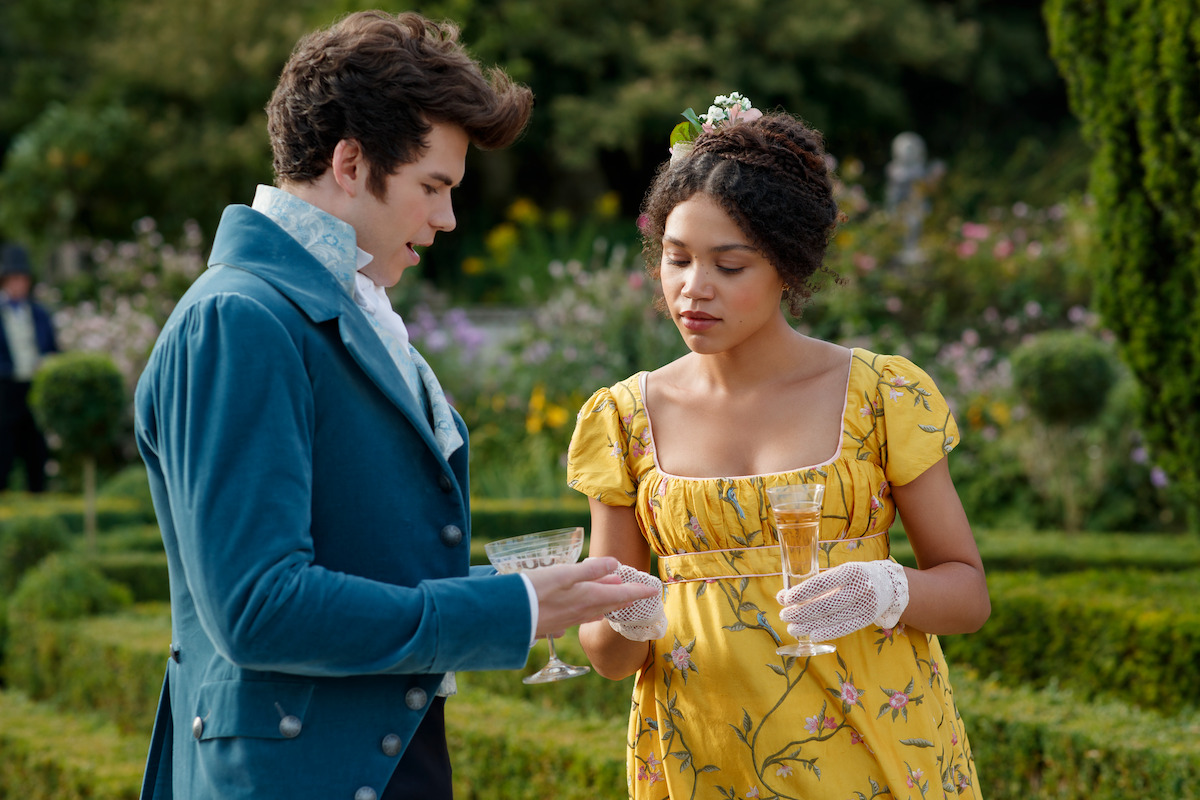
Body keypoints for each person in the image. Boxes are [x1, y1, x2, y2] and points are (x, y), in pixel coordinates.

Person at [133, 11, 656, 800]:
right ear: (350, 162)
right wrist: (506, 607)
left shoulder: (340, 301)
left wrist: (535, 593)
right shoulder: (238, 317)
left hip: (374, 761)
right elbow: (257, 608)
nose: (446, 219)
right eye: (433, 187)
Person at [567, 96, 990, 799]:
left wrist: (887, 587)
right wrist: (625, 615)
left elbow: (967, 595)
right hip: (705, 763)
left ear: (788, 268)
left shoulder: (880, 394)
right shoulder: (622, 418)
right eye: (676, 260)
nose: (691, 290)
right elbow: (612, 659)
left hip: (880, 757)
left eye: (729, 266)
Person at [0, 242, 58, 493]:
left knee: (36, 451)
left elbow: (53, 348)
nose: (19, 284)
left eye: (23, 279)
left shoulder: (40, 314)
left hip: (35, 387)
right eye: (14, 279)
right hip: (5, 390)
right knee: (3, 451)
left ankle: (38, 498)